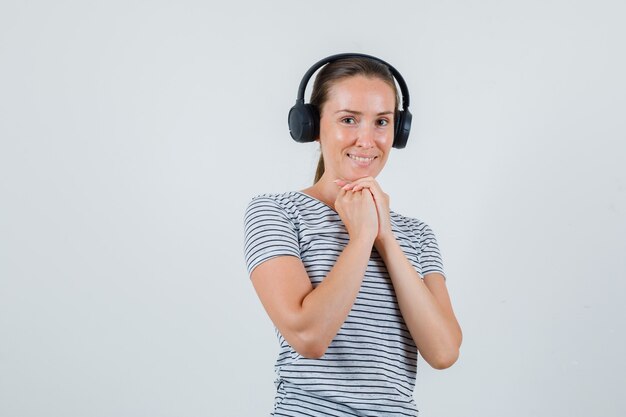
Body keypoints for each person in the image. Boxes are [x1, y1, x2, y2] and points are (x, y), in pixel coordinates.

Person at [243, 53, 462, 416]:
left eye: (381, 122)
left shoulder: (417, 235)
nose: (367, 140)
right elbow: (309, 337)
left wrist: (385, 239)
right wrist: (361, 240)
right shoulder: (277, 212)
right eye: (348, 119)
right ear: (312, 126)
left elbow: (443, 352)